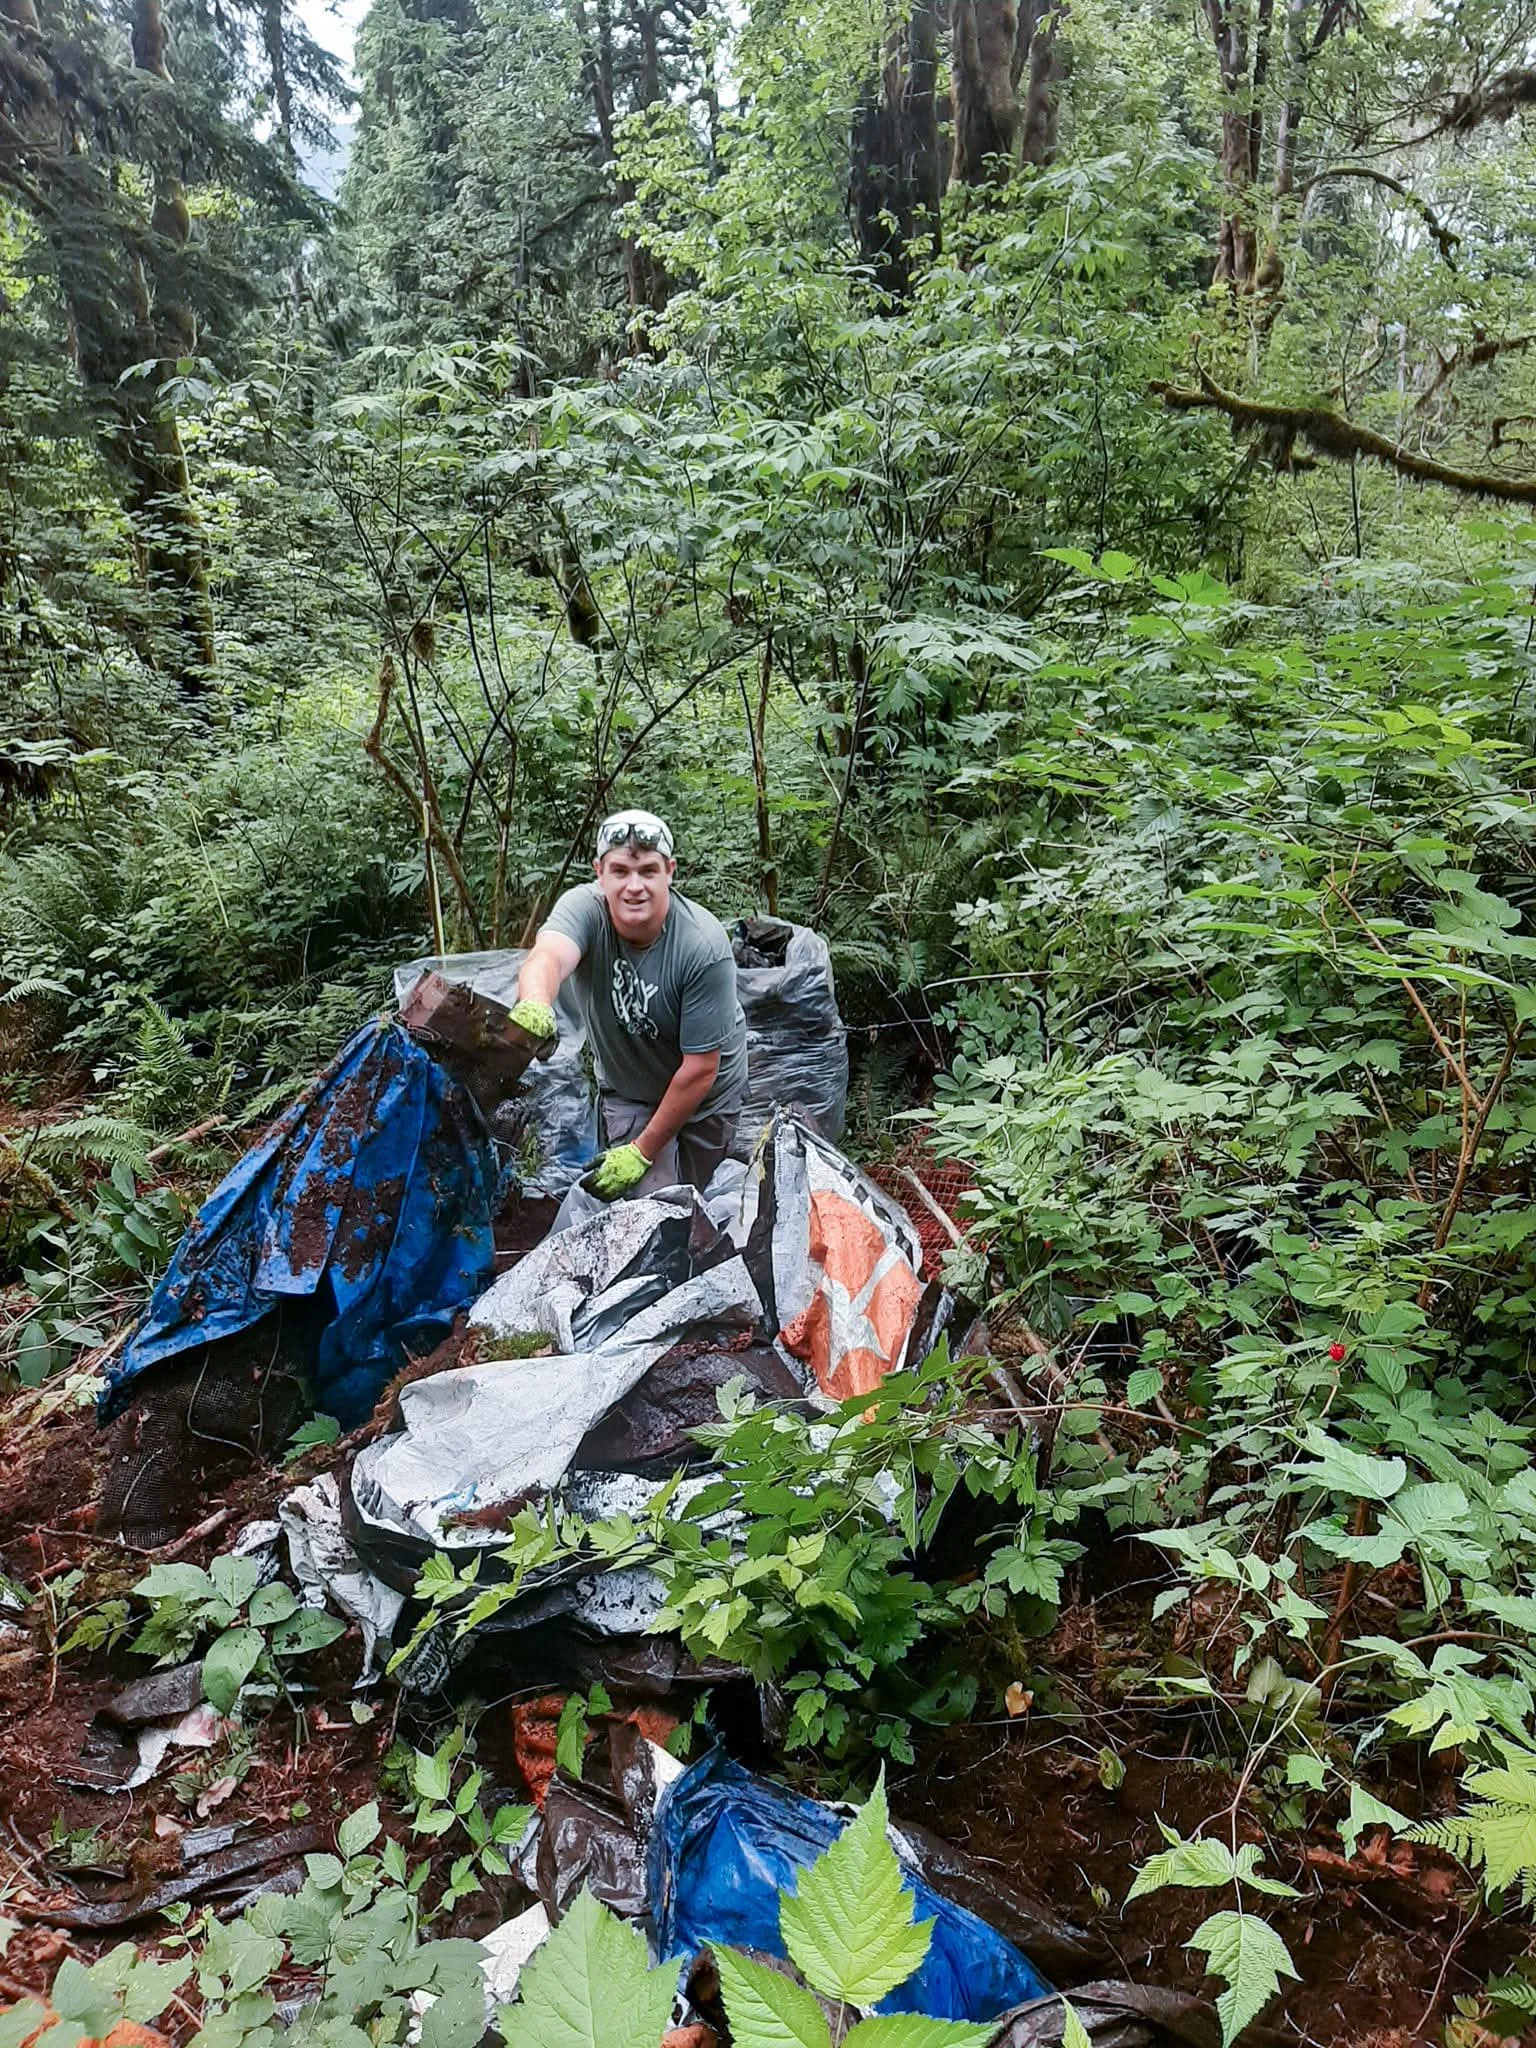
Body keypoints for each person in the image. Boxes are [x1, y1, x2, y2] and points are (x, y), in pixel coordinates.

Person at [510, 809, 748, 1198]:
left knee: (701, 1205)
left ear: (669, 872)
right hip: (630, 1090)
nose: (634, 886)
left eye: (648, 872)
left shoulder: (702, 947)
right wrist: (536, 1002)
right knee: (648, 1211)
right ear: (599, 873)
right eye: (620, 871)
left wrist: (641, 1152)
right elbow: (548, 956)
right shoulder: (584, 909)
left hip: (707, 1096)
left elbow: (701, 1068)